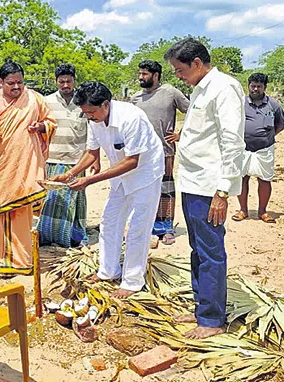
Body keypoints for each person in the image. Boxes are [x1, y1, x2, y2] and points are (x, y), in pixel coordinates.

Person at [51, 82, 164, 298]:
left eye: (92, 112)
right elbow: (91, 153)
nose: (89, 117)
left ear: (105, 104)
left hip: (145, 174)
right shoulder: (94, 119)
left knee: (138, 228)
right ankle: (108, 271)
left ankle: (132, 281)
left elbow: (132, 161)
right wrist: (70, 174)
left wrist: (90, 181)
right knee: (109, 221)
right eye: (85, 113)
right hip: (119, 175)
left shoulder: (132, 118)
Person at [164, 38, 245, 339]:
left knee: (211, 251)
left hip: (210, 187)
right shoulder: (200, 90)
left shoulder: (224, 88)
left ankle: (212, 320)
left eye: (180, 70)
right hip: (192, 182)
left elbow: (232, 141)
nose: (178, 76)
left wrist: (223, 191)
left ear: (197, 63)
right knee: (197, 248)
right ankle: (202, 306)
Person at [0, 61, 57, 276]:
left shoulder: (34, 99)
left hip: (24, 165)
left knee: (20, 213)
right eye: (11, 83)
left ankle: (20, 262)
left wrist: (40, 126)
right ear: (1, 82)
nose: (16, 87)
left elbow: (50, 122)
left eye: (20, 82)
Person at [39, 63, 99, 248]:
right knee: (53, 201)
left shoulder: (83, 102)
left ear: (74, 81)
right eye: (61, 82)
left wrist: (95, 158)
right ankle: (48, 236)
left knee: (74, 201)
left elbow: (94, 130)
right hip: (53, 158)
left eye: (69, 81)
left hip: (77, 160)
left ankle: (73, 236)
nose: (65, 85)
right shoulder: (46, 102)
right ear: (56, 82)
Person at [131, 60, 190, 248]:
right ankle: (147, 227)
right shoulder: (135, 98)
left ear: (156, 75)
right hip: (141, 152)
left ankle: (166, 228)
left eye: (144, 74)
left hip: (165, 150)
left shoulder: (170, 92)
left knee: (166, 189)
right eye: (140, 73)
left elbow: (193, 112)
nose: (141, 77)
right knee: (144, 189)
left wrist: (180, 134)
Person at [232, 73, 284, 223]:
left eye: (259, 86)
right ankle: (243, 210)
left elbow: (280, 125)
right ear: (248, 86)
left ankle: (262, 212)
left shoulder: (273, 105)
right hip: (243, 148)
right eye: (253, 86)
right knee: (242, 178)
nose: (255, 89)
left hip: (265, 149)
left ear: (264, 88)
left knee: (264, 179)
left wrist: (266, 137)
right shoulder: (240, 103)